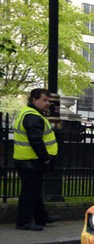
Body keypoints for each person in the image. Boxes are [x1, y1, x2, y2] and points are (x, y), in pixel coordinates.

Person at [12, 88, 60, 231]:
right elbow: (36, 140)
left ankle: (41, 217)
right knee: (30, 193)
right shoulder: (32, 116)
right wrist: (45, 158)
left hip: (27, 159)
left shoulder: (28, 112)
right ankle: (23, 222)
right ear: (33, 99)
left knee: (34, 191)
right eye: (44, 100)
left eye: (49, 101)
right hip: (30, 160)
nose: (47, 104)